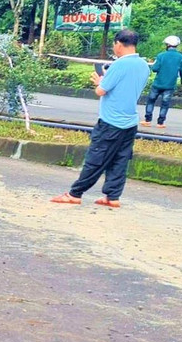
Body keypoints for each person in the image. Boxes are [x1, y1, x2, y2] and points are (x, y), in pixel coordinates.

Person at [51, 29, 147, 209]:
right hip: (130, 122)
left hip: (111, 121)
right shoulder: (143, 65)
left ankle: (75, 194)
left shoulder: (119, 65)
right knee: (120, 160)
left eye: (114, 44)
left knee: (96, 158)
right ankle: (112, 196)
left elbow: (101, 91)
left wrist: (99, 82)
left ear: (119, 44)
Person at [145, 35, 182, 128]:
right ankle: (160, 123)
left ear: (167, 45)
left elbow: (155, 68)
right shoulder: (181, 57)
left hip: (157, 84)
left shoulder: (161, 56)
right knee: (165, 104)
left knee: (151, 101)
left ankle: (147, 120)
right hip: (170, 85)